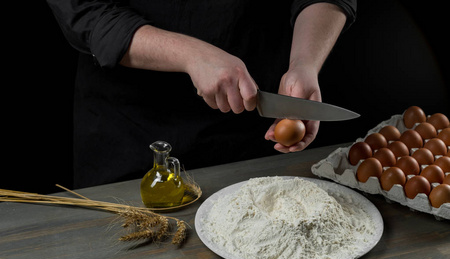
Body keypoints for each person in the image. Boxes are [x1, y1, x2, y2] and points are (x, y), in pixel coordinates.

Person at [47, 0, 357, 188]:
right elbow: (86, 12)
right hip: (130, 132)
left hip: (251, 131)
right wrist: (190, 54)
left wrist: (304, 64)